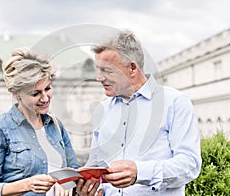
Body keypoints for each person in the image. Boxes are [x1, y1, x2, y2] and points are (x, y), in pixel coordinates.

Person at [80, 30, 202, 195]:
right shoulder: (102, 110)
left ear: (132, 68)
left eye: (107, 71)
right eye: (99, 70)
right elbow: (96, 164)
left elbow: (190, 164)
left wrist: (140, 172)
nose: (99, 78)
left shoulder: (175, 102)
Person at [0, 47, 101, 196]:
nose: (45, 98)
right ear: (17, 94)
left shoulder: (56, 126)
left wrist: (73, 184)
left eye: (47, 88)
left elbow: (72, 171)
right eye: (35, 93)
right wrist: (27, 184)